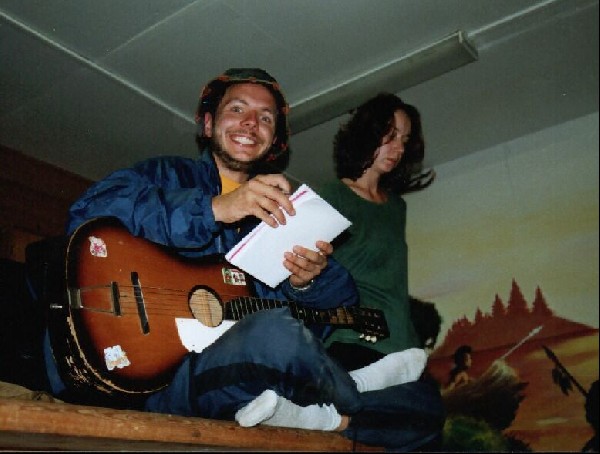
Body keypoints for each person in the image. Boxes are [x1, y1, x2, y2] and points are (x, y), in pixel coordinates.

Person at [40, 68, 441, 449]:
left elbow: (342, 300)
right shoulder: (166, 175)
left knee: (426, 402)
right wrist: (215, 208)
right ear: (208, 124)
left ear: (274, 139)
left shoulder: (284, 212)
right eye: (237, 109)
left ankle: (321, 417)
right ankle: (353, 394)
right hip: (162, 378)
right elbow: (88, 210)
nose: (251, 123)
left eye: (266, 118)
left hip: (242, 377)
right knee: (275, 333)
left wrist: (308, 281)